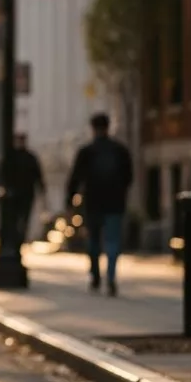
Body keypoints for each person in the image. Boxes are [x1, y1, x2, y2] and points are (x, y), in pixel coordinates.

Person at [66, 113, 133, 297]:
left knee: (93, 241)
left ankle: (95, 275)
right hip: (115, 203)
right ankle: (111, 276)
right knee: (112, 241)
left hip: (93, 202)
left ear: (93, 128)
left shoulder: (86, 151)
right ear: (108, 127)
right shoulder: (120, 150)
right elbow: (129, 177)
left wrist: (70, 202)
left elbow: (75, 179)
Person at [8, 133, 45, 247]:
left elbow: (38, 176)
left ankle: (18, 240)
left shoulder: (20, 157)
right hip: (21, 194)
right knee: (19, 219)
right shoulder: (27, 157)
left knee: (21, 219)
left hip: (23, 194)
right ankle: (17, 240)